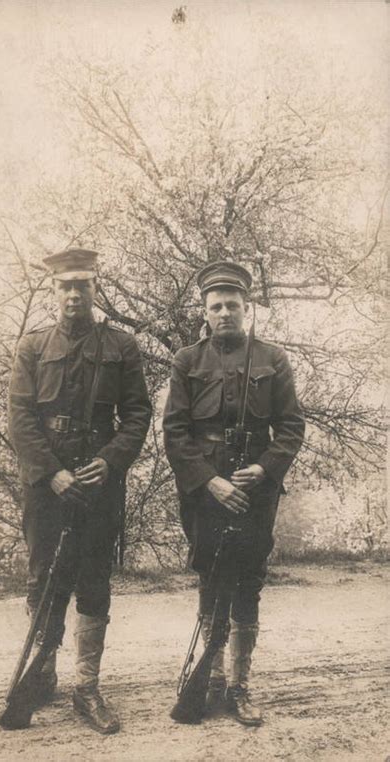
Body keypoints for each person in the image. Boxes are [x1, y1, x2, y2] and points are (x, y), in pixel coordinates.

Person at [8, 248, 151, 735]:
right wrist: (51, 472)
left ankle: (86, 686)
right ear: (53, 290)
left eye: (82, 285)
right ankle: (41, 669)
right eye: (65, 285)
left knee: (94, 578)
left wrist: (108, 462)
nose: (74, 294)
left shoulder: (122, 346)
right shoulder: (32, 346)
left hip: (98, 480)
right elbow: (21, 418)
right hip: (46, 484)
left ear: (95, 287)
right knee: (42, 577)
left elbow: (137, 415)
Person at [163, 261, 305, 726]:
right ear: (204, 311)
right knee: (210, 577)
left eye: (233, 305)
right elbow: (175, 431)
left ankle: (240, 686)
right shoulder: (187, 360)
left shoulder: (272, 358)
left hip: (256, 495)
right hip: (206, 493)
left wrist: (264, 469)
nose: (224, 312)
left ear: (247, 308)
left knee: (247, 582)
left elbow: (290, 426)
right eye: (215, 306)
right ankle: (211, 680)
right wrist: (210, 480)